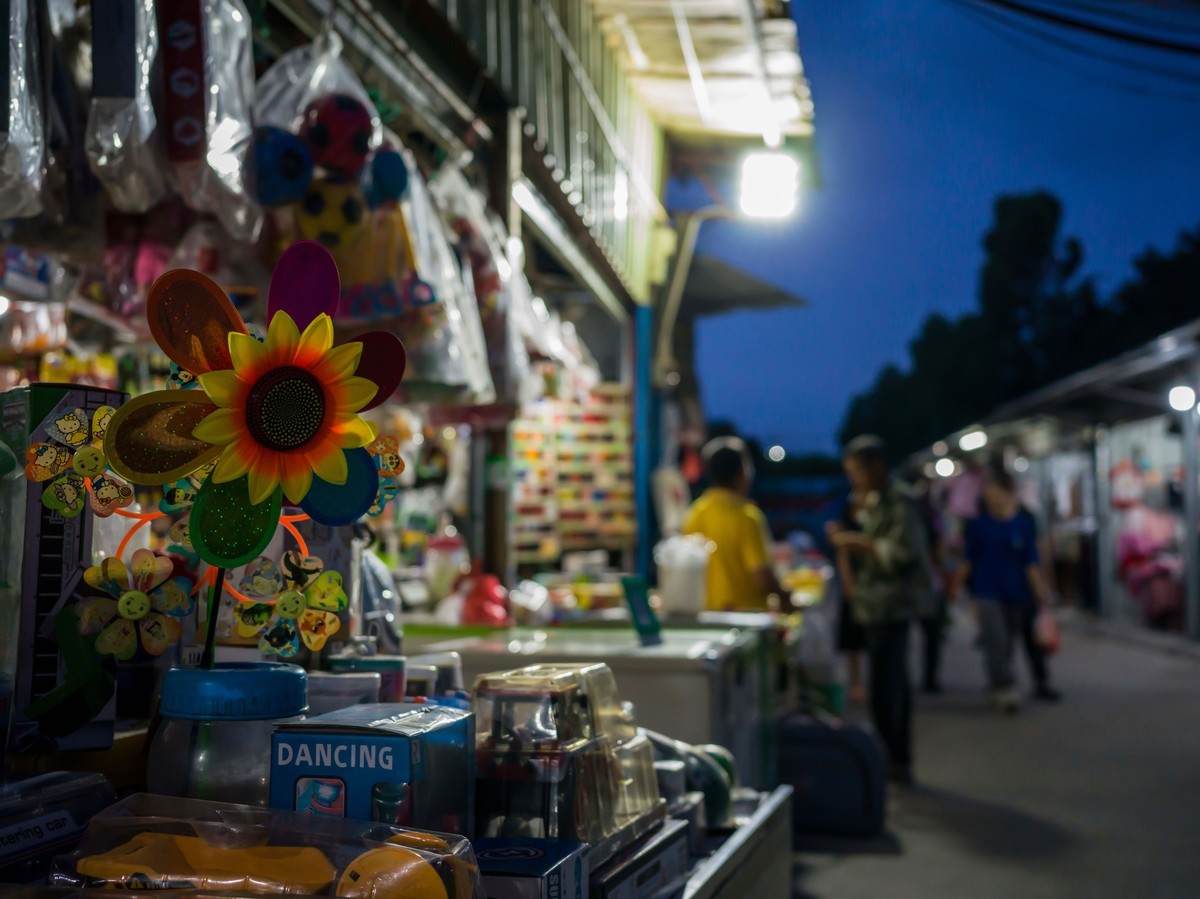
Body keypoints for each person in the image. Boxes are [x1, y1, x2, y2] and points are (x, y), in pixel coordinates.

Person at [829, 436, 932, 785]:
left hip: (892, 607)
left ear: (876, 466)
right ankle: (889, 757)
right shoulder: (870, 500)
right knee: (884, 684)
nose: (854, 479)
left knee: (891, 686)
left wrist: (860, 543)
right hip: (873, 607)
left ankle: (896, 758)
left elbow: (906, 553)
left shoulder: (899, 500)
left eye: (857, 471)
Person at [956, 465, 1060, 712]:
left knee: (1012, 641)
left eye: (994, 492)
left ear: (1007, 492)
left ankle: (1012, 683)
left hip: (1018, 593)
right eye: (987, 493)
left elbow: (1032, 562)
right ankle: (1004, 687)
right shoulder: (978, 525)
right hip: (986, 592)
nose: (989, 497)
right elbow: (968, 560)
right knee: (996, 640)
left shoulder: (1024, 523)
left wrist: (1041, 592)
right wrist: (955, 588)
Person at [683, 437, 784, 611]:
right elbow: (762, 578)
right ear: (743, 472)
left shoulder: (694, 513)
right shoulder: (747, 516)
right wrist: (786, 597)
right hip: (745, 620)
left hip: (705, 615)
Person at [826, 490, 868, 704]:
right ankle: (856, 682)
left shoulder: (874, 519)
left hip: (873, 587)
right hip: (856, 585)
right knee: (853, 641)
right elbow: (843, 555)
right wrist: (848, 584)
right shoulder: (845, 523)